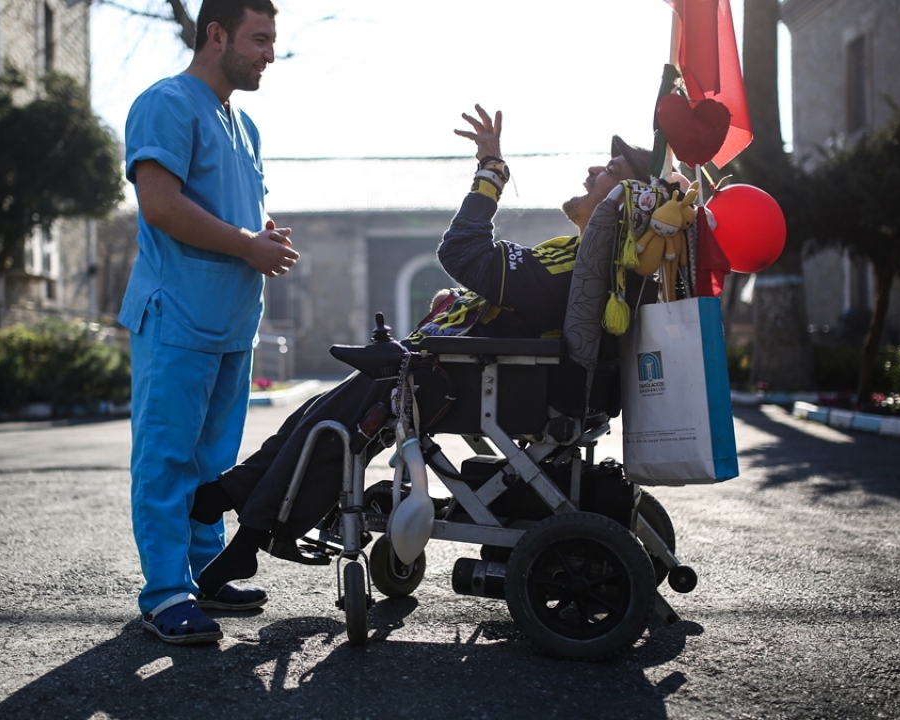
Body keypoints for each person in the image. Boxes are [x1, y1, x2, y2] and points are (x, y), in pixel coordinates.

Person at [188, 106, 654, 599]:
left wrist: (491, 175)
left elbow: (462, 252)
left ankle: (247, 528)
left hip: (473, 380)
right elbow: (505, 291)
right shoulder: (574, 257)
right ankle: (234, 501)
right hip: (463, 370)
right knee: (319, 413)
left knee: (339, 427)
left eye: (610, 171)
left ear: (627, 204)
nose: (591, 172)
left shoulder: (576, 268)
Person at [120, 0, 299, 645]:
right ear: (215, 34)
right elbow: (161, 205)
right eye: (259, 39)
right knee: (167, 457)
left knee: (213, 461)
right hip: (178, 317)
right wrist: (247, 245)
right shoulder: (167, 103)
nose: (269, 54)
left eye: (272, 41)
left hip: (230, 323)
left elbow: (229, 215)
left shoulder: (243, 125)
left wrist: (261, 238)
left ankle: (206, 571)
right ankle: (166, 592)